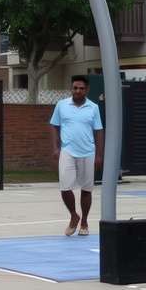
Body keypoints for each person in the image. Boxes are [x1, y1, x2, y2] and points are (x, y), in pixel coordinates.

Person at [50, 75, 104, 236]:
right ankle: (74, 215)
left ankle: (85, 221)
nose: (78, 91)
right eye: (75, 88)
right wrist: (55, 147)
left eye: (81, 88)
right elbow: (54, 126)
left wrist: (99, 155)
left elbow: (99, 131)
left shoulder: (93, 107)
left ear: (86, 90)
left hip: (88, 152)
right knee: (65, 187)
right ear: (71, 89)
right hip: (67, 151)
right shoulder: (62, 105)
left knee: (86, 189)